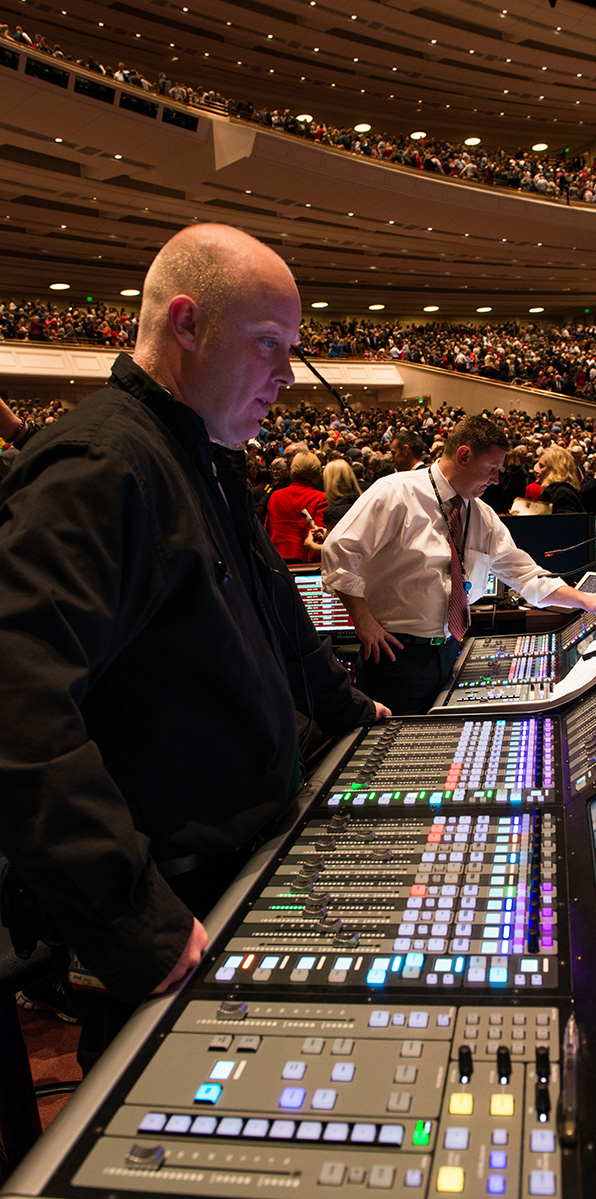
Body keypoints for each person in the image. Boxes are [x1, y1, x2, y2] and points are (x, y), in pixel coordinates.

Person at [0, 223, 388, 1070]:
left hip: (241, 869)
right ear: (187, 324)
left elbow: (275, 615)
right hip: (182, 911)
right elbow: (16, 705)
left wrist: (355, 715)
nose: (286, 377)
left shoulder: (205, 455)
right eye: (269, 346)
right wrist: (138, 920)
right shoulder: (101, 465)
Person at [321, 416, 596, 714]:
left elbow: (525, 576)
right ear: (464, 456)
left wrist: (586, 600)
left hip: (448, 649)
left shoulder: (481, 514)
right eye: (491, 469)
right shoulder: (396, 492)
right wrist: (362, 619)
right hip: (396, 654)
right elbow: (339, 550)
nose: (496, 480)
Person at [264, 449, 326, 562]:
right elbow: (320, 535)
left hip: (277, 560)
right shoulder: (320, 498)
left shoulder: (275, 496)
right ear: (317, 472)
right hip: (305, 561)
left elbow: (267, 532)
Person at [533, 445, 586, 514]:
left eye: (541, 466)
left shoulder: (561, 492)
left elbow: (567, 522)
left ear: (555, 470)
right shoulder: (560, 490)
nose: (536, 470)